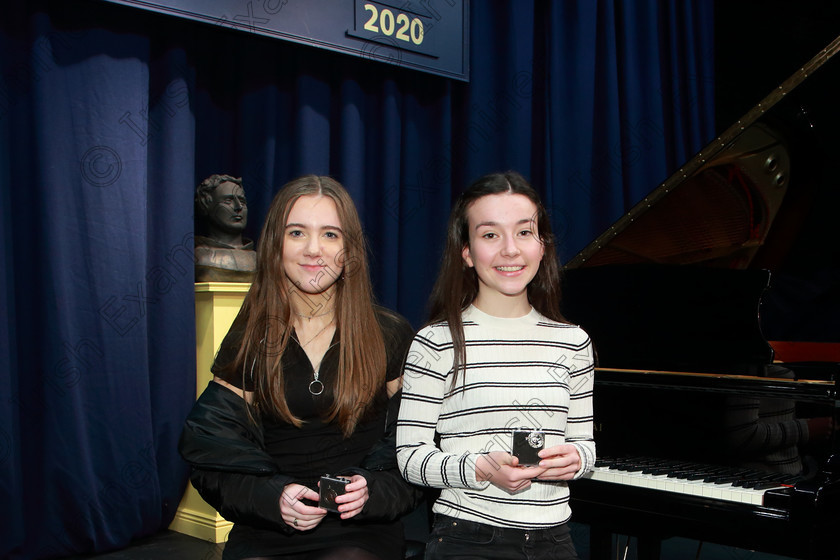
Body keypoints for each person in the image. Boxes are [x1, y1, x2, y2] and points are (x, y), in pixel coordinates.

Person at [180, 175, 422, 560]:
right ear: (276, 244)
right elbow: (210, 450)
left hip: (361, 529)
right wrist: (271, 497)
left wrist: (373, 490)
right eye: (297, 233)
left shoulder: (388, 333)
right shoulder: (249, 336)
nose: (314, 250)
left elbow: (418, 440)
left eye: (330, 234)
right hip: (269, 526)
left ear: (349, 249)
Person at [396, 171, 596, 559]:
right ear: (466, 252)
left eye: (524, 232)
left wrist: (577, 460)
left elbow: (584, 446)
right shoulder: (435, 342)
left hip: (555, 541)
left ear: (543, 246)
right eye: (490, 235)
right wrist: (479, 467)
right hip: (466, 539)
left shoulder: (574, 342)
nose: (510, 250)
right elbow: (409, 457)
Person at [194, 174, 257, 282]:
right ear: (206, 206)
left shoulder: (261, 261)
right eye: (228, 201)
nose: (238, 207)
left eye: (242, 202)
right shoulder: (200, 258)